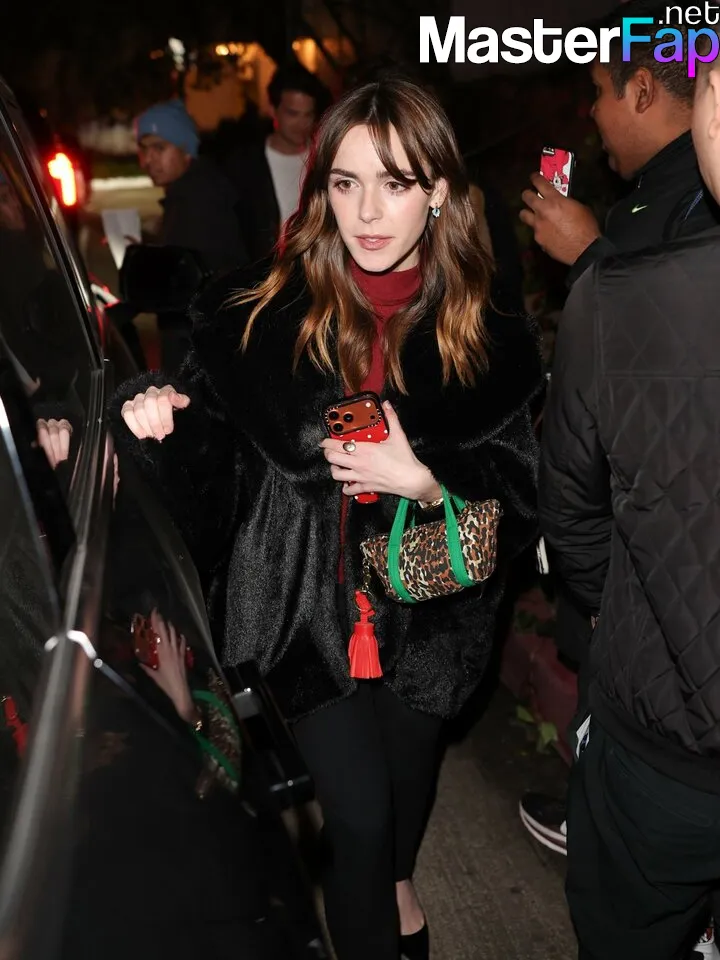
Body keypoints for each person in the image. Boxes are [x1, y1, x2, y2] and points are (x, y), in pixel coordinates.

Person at [110, 76, 543, 960]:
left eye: (395, 183)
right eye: (346, 183)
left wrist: (422, 482)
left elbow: (520, 498)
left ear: (439, 192)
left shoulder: (487, 334)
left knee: (399, 816)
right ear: (321, 190)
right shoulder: (254, 318)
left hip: (428, 626)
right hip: (302, 620)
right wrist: (159, 425)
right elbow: (209, 478)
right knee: (359, 818)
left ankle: (400, 893)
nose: (368, 212)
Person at [517, 0, 720, 857]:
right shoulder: (654, 194)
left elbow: (676, 370)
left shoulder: (694, 202)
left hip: (658, 574)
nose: (592, 113)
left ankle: (612, 824)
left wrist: (593, 261)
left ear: (643, 90)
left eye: (600, 91)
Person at [135, 98, 249, 372]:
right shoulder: (189, 193)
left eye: (159, 148)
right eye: (144, 149)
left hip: (199, 350)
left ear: (185, 148)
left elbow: (188, 278)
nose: (148, 160)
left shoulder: (199, 199)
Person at [222, 63, 331, 262]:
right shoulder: (245, 165)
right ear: (273, 110)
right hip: (264, 271)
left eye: (308, 114)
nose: (302, 124)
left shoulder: (326, 160)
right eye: (293, 113)